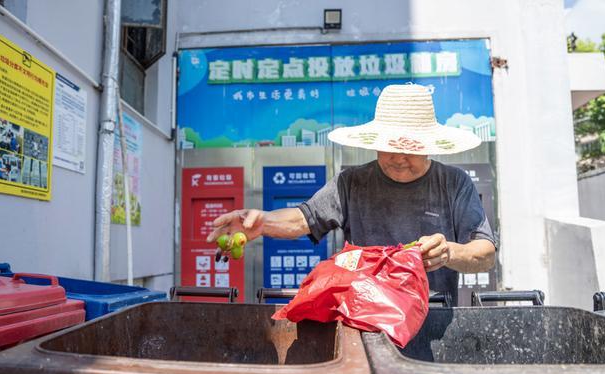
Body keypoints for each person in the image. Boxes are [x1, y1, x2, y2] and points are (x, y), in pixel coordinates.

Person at [207, 84, 496, 304]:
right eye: (388, 147)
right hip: (363, 315)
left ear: (429, 145)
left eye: (409, 149)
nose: (398, 158)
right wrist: (264, 222)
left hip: (432, 315)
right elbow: (303, 218)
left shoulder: (454, 183)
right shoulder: (352, 182)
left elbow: (484, 253)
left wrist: (449, 252)